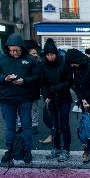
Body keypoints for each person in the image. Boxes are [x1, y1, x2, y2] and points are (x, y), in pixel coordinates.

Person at [0, 33, 39, 163]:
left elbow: (37, 77)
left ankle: (28, 151)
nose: (14, 52)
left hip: (24, 98)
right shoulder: (1, 58)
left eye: (17, 49)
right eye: (11, 50)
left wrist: (25, 81)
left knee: (27, 126)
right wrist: (5, 78)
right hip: (7, 99)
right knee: (10, 127)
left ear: (22, 48)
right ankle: (9, 150)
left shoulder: (29, 59)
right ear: (7, 48)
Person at [40, 38, 73, 162]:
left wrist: (55, 88)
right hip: (50, 99)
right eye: (47, 55)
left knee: (64, 126)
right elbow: (42, 83)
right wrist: (46, 96)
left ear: (56, 53)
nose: (50, 57)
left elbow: (69, 80)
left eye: (52, 54)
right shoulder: (43, 64)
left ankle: (66, 149)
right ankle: (56, 147)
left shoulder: (64, 63)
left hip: (64, 98)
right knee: (54, 126)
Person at [16, 45, 41, 135]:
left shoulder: (39, 62)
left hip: (34, 89)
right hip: (23, 89)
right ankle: (20, 126)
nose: (35, 55)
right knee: (21, 109)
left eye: (35, 53)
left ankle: (34, 125)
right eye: (33, 53)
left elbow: (39, 77)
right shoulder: (22, 62)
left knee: (34, 109)